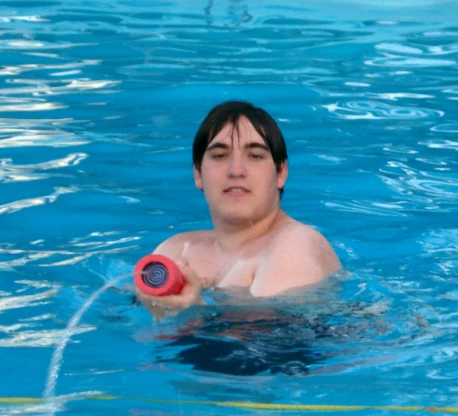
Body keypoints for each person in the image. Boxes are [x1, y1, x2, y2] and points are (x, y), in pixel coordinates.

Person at [137, 101, 341, 318]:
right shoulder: (176, 250)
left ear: (280, 173)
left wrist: (195, 313)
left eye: (255, 156)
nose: (236, 171)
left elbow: (273, 346)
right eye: (219, 155)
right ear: (198, 174)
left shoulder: (296, 245)